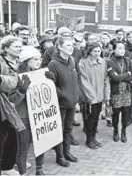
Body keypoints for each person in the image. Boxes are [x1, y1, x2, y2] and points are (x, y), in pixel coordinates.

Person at [10, 46, 54, 175]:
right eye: (35, 59)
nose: (38, 61)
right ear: (26, 61)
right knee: (23, 148)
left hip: (40, 115)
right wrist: (22, 90)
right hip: (24, 116)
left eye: (39, 59)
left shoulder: (42, 74)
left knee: (41, 145)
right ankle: (22, 172)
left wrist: (51, 81)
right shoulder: (16, 76)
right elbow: (13, 101)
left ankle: (39, 170)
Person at [47, 37, 80, 167]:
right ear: (59, 47)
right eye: (68, 45)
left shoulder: (72, 60)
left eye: (72, 45)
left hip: (72, 102)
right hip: (60, 103)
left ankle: (67, 152)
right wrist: (63, 94)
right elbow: (51, 85)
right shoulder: (53, 64)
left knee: (68, 129)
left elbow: (78, 78)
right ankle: (59, 156)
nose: (71, 47)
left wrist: (77, 94)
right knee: (59, 130)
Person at [78, 42, 110, 148]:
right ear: (90, 52)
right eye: (94, 51)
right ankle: (89, 139)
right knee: (89, 118)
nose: (97, 53)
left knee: (96, 117)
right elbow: (83, 80)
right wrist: (91, 96)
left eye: (98, 51)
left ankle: (93, 137)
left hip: (99, 95)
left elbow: (106, 79)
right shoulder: (83, 63)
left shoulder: (103, 62)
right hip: (89, 96)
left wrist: (106, 94)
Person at [0, 36, 24, 175]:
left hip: (16, 103)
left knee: (15, 136)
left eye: (20, 46)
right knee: (6, 137)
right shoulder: (1, 62)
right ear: (6, 48)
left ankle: (9, 164)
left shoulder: (19, 62)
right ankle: (5, 167)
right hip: (4, 106)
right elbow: (7, 84)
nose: (19, 48)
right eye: (16, 46)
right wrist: (13, 80)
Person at [107, 42, 132, 143]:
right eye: (119, 48)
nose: (122, 50)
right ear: (114, 50)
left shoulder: (128, 61)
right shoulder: (110, 61)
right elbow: (114, 78)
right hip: (116, 91)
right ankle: (116, 131)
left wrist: (122, 77)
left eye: (123, 48)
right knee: (115, 112)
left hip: (127, 90)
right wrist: (126, 74)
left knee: (125, 112)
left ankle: (123, 131)